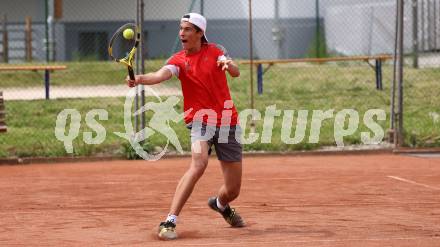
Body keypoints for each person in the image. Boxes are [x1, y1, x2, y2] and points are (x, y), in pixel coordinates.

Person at [126, 13, 245, 240]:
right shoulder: (179, 60)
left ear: (200, 33)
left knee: (233, 190)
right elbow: (161, 75)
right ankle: (169, 221)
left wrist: (229, 65)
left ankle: (220, 205)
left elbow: (236, 72)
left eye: (188, 29)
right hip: (200, 121)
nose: (182, 33)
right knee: (198, 164)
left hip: (227, 121)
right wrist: (140, 78)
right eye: (181, 28)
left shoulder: (216, 51)